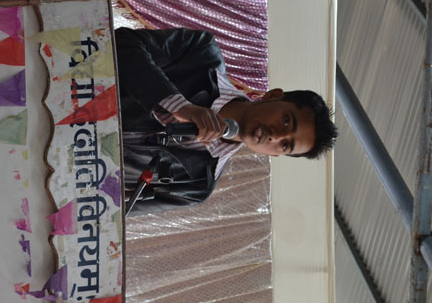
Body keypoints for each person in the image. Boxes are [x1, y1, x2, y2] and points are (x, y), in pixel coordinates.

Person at [116, 27, 337, 216]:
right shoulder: (200, 54)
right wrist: (180, 106)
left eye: (285, 145)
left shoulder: (197, 187)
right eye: (287, 121)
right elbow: (120, 43)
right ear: (273, 95)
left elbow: (113, 216)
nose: (275, 136)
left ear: (275, 154)